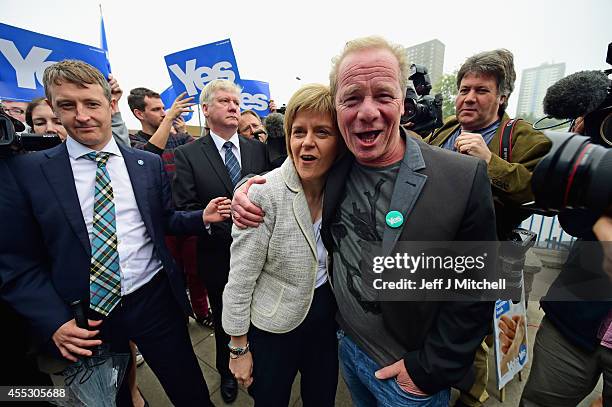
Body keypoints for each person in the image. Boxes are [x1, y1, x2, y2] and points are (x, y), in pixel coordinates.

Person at [233, 36, 497, 407]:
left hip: (409, 379)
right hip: (346, 351)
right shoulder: (339, 162)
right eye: (352, 98)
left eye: (383, 96)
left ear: (404, 102)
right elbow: (292, 168)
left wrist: (427, 371)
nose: (367, 112)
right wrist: (245, 190)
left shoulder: (463, 177)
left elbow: (479, 288)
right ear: (338, 107)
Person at [2, 59, 230, 406]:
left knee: (191, 391)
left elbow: (163, 220)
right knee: (112, 399)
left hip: (156, 301)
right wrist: (52, 321)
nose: (81, 116)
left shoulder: (146, 164)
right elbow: (17, 262)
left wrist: (202, 216)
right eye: (67, 105)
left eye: (91, 103)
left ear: (111, 104)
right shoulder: (25, 172)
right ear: (52, 107)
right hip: (86, 321)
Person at [425, 49, 551, 407]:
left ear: (502, 97)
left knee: (476, 336)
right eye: (464, 89)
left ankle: (472, 397)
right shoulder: (447, 129)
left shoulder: (522, 137)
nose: (468, 97)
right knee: (435, 322)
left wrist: (489, 161)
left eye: (481, 90)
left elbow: (537, 190)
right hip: (437, 252)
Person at [223, 84, 342, 406]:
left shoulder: (345, 186)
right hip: (274, 328)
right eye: (298, 131)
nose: (307, 142)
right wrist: (238, 348)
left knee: (322, 398)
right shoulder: (263, 193)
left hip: (325, 319)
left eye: (322, 132)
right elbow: (240, 278)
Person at [173, 79, 270, 404]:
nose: (234, 106)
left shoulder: (257, 149)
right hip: (217, 258)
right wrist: (209, 217)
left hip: (263, 257)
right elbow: (184, 209)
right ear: (205, 109)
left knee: (261, 319)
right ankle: (226, 373)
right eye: (225, 101)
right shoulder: (187, 154)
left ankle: (262, 369)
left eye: (236, 101)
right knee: (227, 321)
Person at [127, 87, 212, 327]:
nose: (164, 114)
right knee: (171, 274)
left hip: (188, 215)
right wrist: (169, 120)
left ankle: (202, 312)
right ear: (138, 113)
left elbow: (199, 152)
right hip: (161, 223)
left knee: (196, 272)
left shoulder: (178, 137)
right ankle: (178, 316)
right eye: (157, 110)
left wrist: (184, 131)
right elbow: (147, 156)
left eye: (164, 108)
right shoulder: (134, 143)